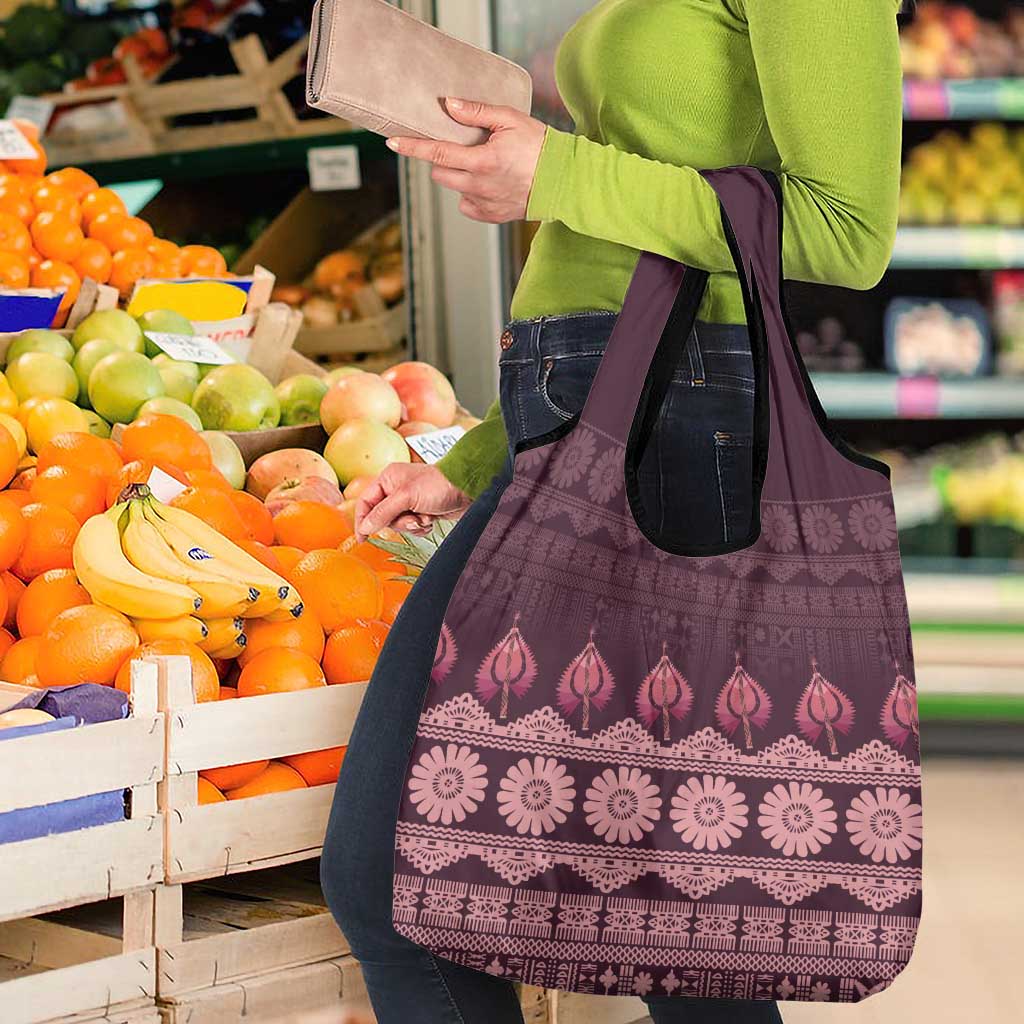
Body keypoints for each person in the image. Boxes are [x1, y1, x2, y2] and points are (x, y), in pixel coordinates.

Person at [321, 2, 904, 1021]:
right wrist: (479, 456)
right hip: (591, 424)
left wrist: (557, 172)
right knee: (667, 922)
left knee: (417, 881)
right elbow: (626, 238)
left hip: (675, 434)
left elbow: (847, 230)